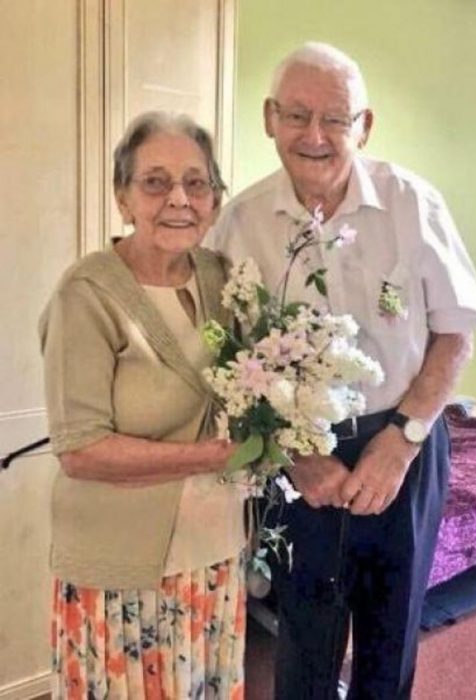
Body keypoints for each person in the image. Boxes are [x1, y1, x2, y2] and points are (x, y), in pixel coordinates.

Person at [211, 42, 476, 700]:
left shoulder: (412, 204)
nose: (315, 136)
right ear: (268, 118)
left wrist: (400, 443)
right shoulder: (239, 223)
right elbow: (220, 350)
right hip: (298, 456)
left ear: (365, 126)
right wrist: (293, 455)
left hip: (407, 441)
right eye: (297, 114)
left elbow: (456, 335)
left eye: (336, 118)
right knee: (302, 631)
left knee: (390, 634)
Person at [39, 111, 247, 699]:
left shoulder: (219, 276)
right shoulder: (87, 294)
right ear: (122, 198)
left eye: (197, 182)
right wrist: (212, 455)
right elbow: (80, 450)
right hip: (121, 566)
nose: (179, 198)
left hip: (213, 553)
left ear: (215, 198)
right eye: (155, 182)